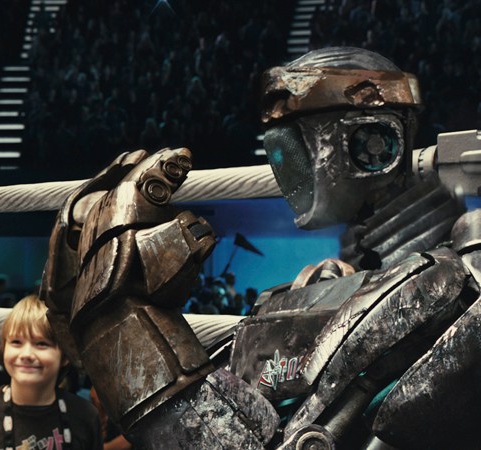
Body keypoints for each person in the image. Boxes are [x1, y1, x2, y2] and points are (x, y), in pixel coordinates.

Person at [40, 47, 481, 448]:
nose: (284, 169)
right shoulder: (321, 288)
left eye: (293, 147)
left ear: (373, 143)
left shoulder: (456, 283)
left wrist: (116, 318)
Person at [0, 295, 103, 450]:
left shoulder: (85, 416)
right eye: (16, 342)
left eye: (41, 344)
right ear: (4, 349)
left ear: (65, 356)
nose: (26, 354)